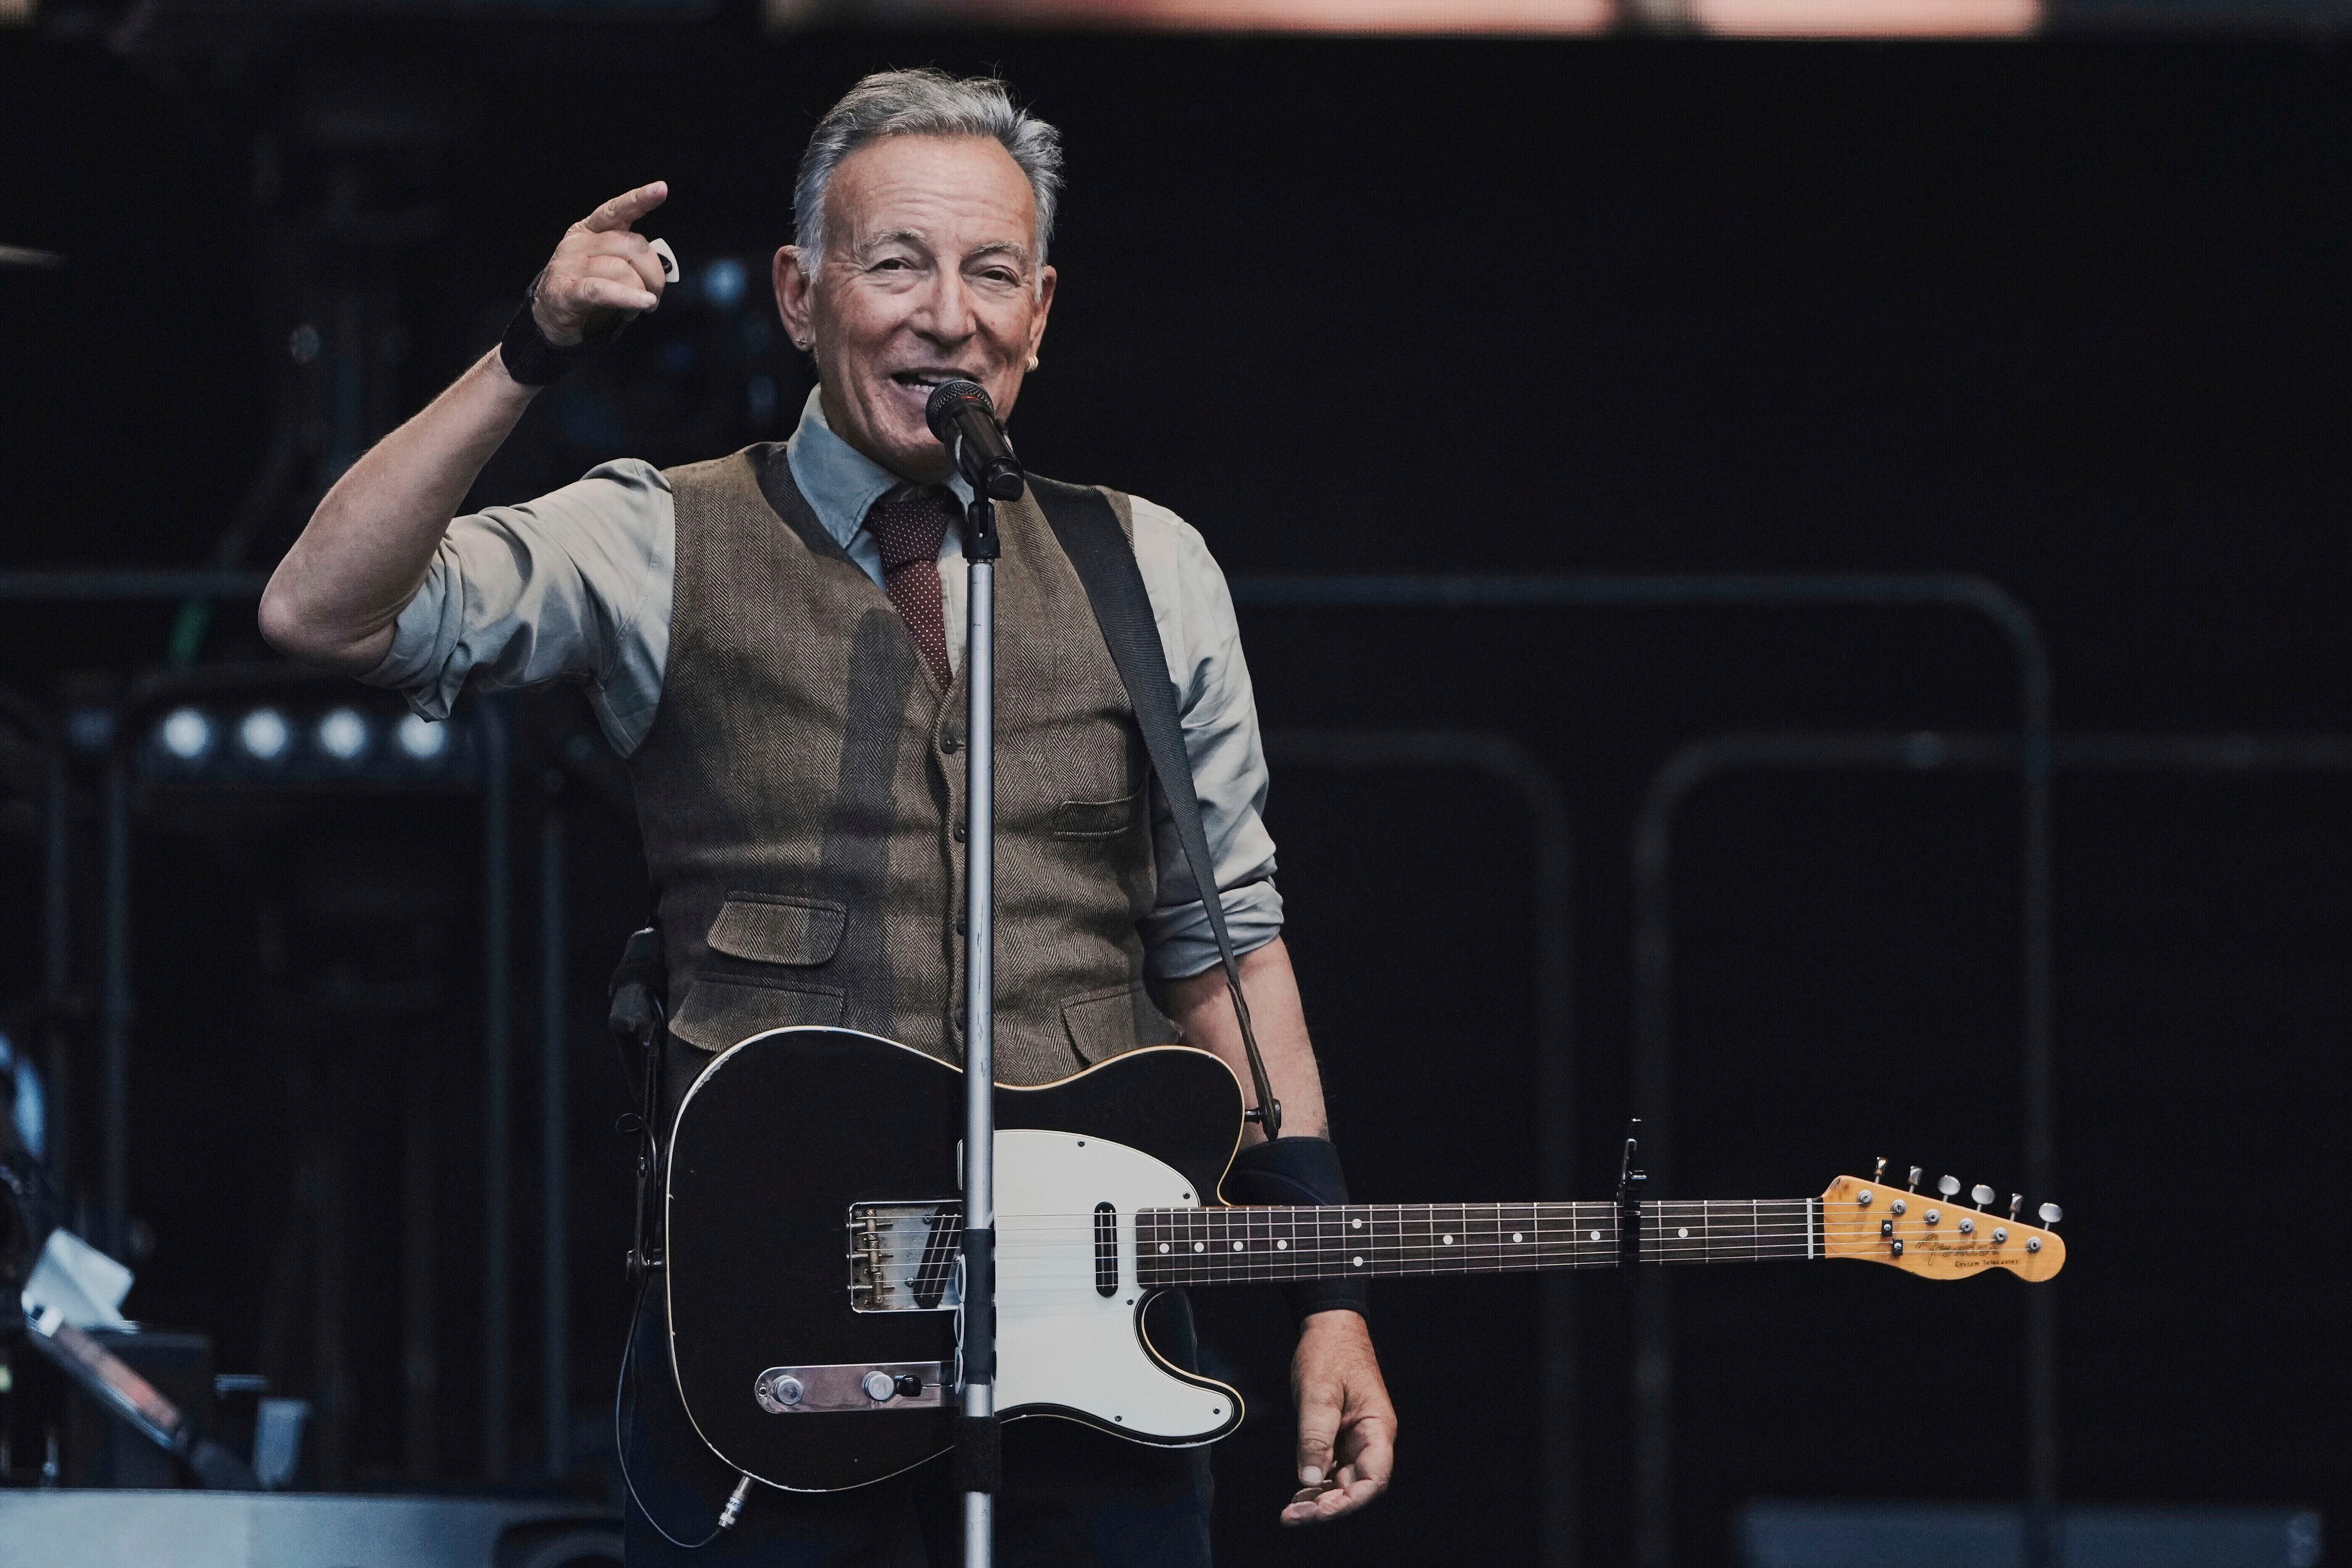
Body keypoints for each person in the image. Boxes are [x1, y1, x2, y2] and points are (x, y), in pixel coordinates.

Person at [261, 68, 1393, 1566]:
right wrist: (527, 353)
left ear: (1042, 313)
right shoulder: (659, 535)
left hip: (1089, 1349)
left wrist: (1326, 1291)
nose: (949, 314)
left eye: (992, 273)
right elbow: (322, 613)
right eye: (898, 263)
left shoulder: (1148, 565)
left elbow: (1231, 957)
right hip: (771, 1344)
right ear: (803, 294)